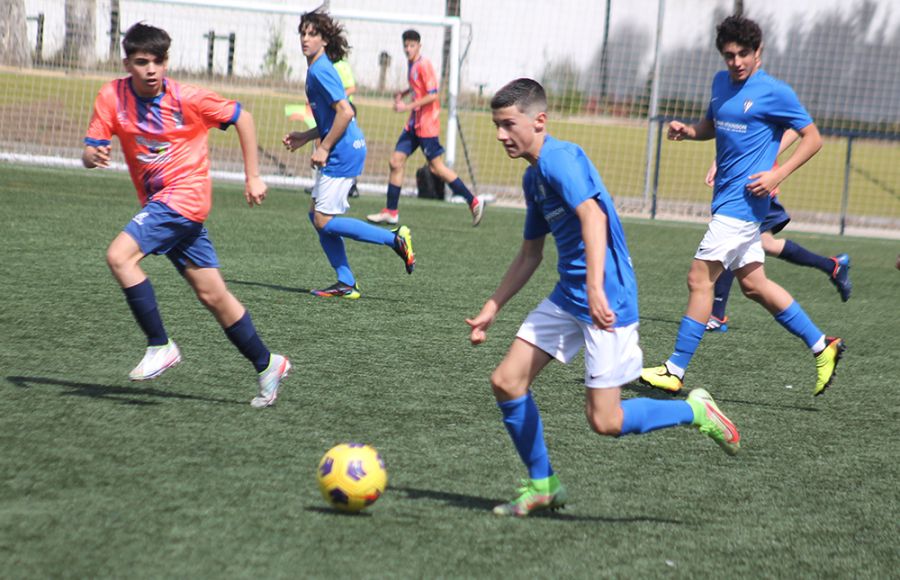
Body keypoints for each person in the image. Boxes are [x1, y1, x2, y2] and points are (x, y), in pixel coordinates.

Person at [466, 78, 741, 518]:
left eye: (507, 124)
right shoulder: (534, 177)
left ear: (539, 121)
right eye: (496, 125)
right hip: (569, 296)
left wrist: (595, 287)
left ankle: (695, 411)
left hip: (606, 298)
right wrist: (492, 307)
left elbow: (592, 216)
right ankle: (544, 485)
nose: (500, 134)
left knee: (605, 421)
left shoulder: (559, 159)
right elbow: (531, 253)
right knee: (506, 381)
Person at [81, 22, 291, 408]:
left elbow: (242, 117)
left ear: (166, 62)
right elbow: (91, 149)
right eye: (142, 61)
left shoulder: (188, 98)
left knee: (119, 256)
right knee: (213, 294)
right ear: (127, 62)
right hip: (163, 206)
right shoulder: (111, 96)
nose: (151, 70)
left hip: (185, 198)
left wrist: (254, 176)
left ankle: (160, 344)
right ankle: (267, 364)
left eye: (158, 61)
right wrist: (91, 156)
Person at [639, 15, 845, 397]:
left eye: (743, 54)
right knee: (754, 285)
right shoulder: (720, 83)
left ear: (758, 52)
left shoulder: (775, 92)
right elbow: (712, 125)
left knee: (699, 279)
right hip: (725, 201)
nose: (736, 62)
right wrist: (688, 131)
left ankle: (674, 369)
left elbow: (812, 138)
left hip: (743, 205)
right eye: (729, 55)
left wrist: (777, 174)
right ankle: (823, 345)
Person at [283, 10, 415, 300]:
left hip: (343, 150)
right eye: (302, 33)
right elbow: (332, 118)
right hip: (343, 146)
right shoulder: (318, 68)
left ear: (325, 39)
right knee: (316, 215)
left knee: (324, 220)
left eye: (312, 33)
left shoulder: (320, 70)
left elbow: (346, 112)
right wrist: (306, 137)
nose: (305, 39)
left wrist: (325, 147)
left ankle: (394, 239)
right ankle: (345, 281)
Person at [704, 130, 852, 332]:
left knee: (732, 242)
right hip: (741, 181)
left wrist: (763, 155)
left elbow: (794, 130)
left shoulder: (773, 99)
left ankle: (717, 315)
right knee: (765, 245)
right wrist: (719, 160)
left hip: (756, 185)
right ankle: (832, 266)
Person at [367, 29, 484, 227]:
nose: (408, 49)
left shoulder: (424, 65)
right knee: (396, 161)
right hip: (414, 124)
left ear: (419, 46)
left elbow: (432, 95)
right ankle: (391, 211)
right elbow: (417, 87)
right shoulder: (411, 63)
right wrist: (404, 92)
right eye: (405, 45)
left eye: (412, 45)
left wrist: (406, 106)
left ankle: (473, 201)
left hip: (427, 125)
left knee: (436, 168)